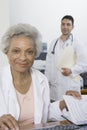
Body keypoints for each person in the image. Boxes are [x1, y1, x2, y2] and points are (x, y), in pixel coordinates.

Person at [0, 23, 81, 130]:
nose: (23, 57)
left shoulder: (41, 79)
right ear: (7, 52)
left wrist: (64, 103)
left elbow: (45, 112)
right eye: (16, 51)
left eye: (29, 52)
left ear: (35, 54)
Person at [45, 15, 87, 101]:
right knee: (55, 111)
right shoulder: (54, 43)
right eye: (63, 24)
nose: (65, 27)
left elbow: (84, 64)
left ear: (72, 27)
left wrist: (71, 70)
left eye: (68, 24)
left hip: (70, 85)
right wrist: (46, 83)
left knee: (70, 111)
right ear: (60, 25)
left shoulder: (77, 43)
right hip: (54, 88)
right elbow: (48, 65)